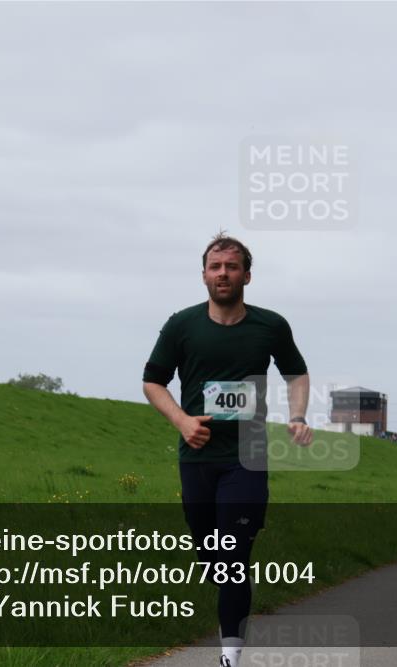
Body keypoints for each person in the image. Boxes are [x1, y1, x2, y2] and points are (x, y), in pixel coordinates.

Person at [142, 233, 312, 667]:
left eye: (231, 267)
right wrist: (181, 420)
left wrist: (297, 417)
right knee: (210, 554)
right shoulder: (182, 325)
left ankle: (230, 655)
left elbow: (296, 374)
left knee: (235, 554)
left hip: (247, 456)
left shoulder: (270, 325)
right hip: (197, 457)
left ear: (246, 275)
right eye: (216, 267)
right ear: (203, 275)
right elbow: (152, 381)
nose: (223, 274)